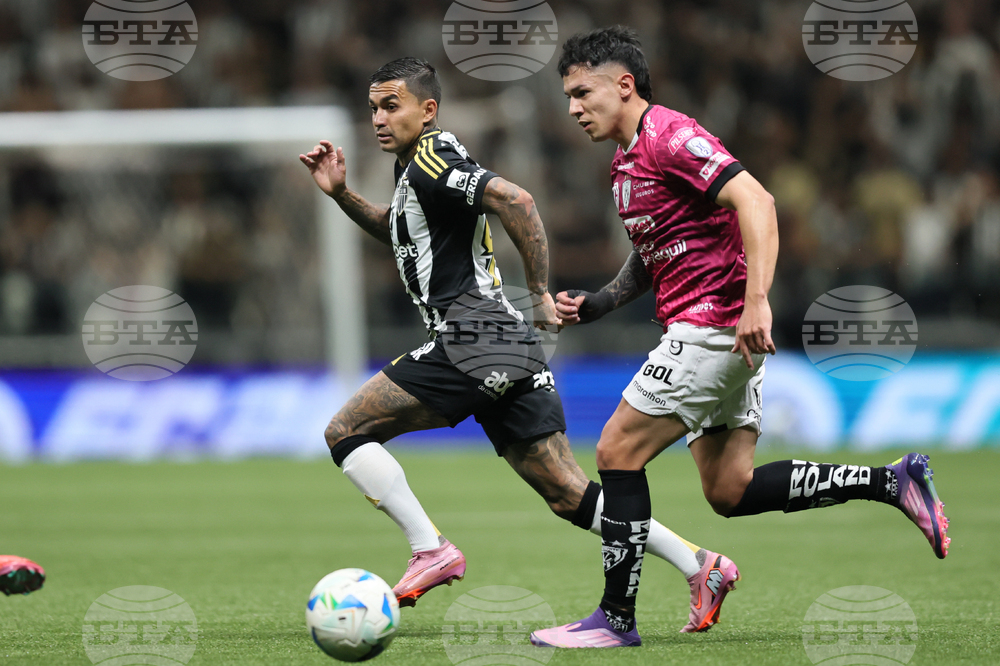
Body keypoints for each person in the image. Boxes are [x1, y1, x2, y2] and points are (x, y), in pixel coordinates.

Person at [530, 27, 950, 649]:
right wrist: (602, 302)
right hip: (717, 333)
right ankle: (892, 482)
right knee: (730, 489)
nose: (572, 108)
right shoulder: (624, 164)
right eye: (568, 96)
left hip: (715, 325)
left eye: (581, 92)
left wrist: (757, 302)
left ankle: (614, 620)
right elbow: (654, 252)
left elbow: (758, 201)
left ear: (624, 85)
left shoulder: (671, 136)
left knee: (617, 451)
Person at [299, 57, 738, 629]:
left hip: (473, 335)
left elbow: (518, 201)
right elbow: (402, 230)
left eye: (391, 106)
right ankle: (700, 565)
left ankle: (429, 549)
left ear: (428, 110)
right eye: (373, 109)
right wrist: (341, 194)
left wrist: (538, 294)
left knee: (345, 431)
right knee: (568, 494)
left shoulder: (432, 158)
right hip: (505, 344)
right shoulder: (416, 171)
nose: (379, 119)